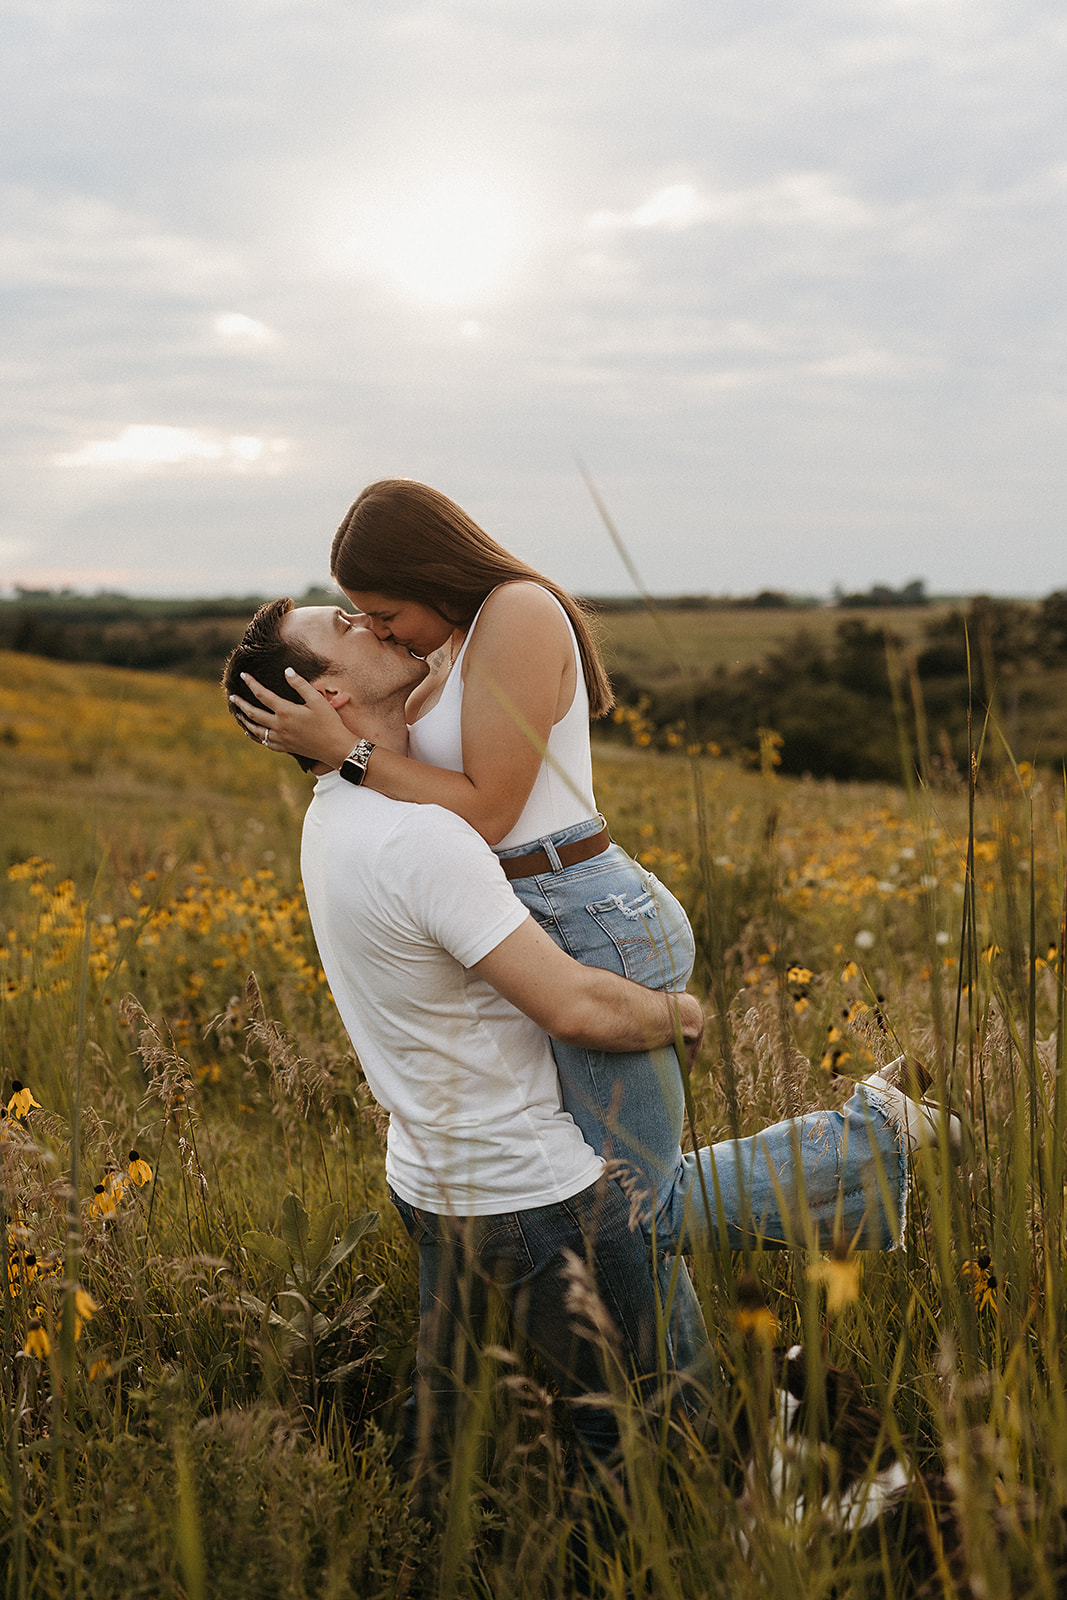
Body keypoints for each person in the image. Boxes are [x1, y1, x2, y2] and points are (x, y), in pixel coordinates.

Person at [228, 485, 956, 1358]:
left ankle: (876, 1140)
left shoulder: (520, 613)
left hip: (582, 912)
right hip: (521, 915)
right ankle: (730, 1363)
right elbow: (418, 792)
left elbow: (488, 812)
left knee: (629, 1207)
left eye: (384, 613)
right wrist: (327, 742)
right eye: (365, 622)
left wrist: (344, 752)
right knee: (599, 1199)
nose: (381, 631)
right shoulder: (444, 652)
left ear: (428, 574)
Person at [223, 598, 706, 1516]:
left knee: (446, 1425)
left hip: (434, 1177)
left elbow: (454, 671)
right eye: (345, 625)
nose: (369, 620)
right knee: (648, 1425)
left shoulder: (336, 815)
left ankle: (408, 1555)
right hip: (535, 1193)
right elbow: (572, 1005)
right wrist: (681, 1013)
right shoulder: (422, 835)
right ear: (327, 692)